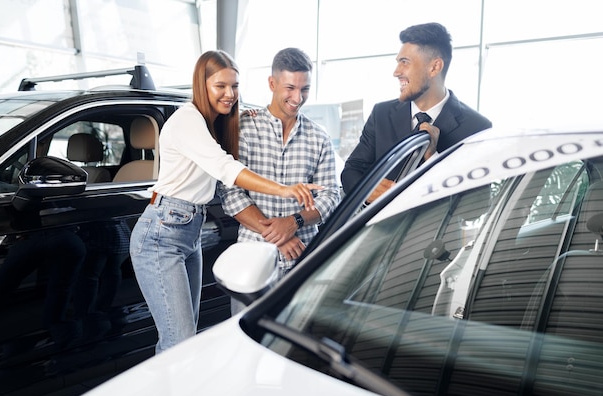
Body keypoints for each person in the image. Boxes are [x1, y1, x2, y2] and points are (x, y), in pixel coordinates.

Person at [129, 50, 321, 354]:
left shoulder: (216, 122)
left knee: (185, 338)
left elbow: (246, 126)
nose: (230, 94)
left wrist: (254, 114)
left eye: (235, 86)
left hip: (189, 230)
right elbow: (227, 170)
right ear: (201, 85)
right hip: (162, 234)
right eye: (221, 86)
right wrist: (284, 191)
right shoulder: (188, 121)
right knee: (177, 344)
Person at [220, 47, 341, 312]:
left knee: (296, 348)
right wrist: (278, 234)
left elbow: (331, 195)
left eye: (305, 89)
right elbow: (231, 193)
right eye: (290, 88)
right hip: (252, 262)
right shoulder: (242, 129)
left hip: (304, 261)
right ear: (272, 84)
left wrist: (294, 222)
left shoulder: (318, 137)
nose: (298, 98)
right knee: (243, 344)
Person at [341, 22, 492, 203]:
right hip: (381, 231)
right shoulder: (381, 113)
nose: (396, 72)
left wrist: (432, 159)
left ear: (434, 67)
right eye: (398, 63)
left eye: (405, 62)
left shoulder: (476, 127)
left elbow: (477, 206)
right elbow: (352, 170)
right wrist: (368, 193)